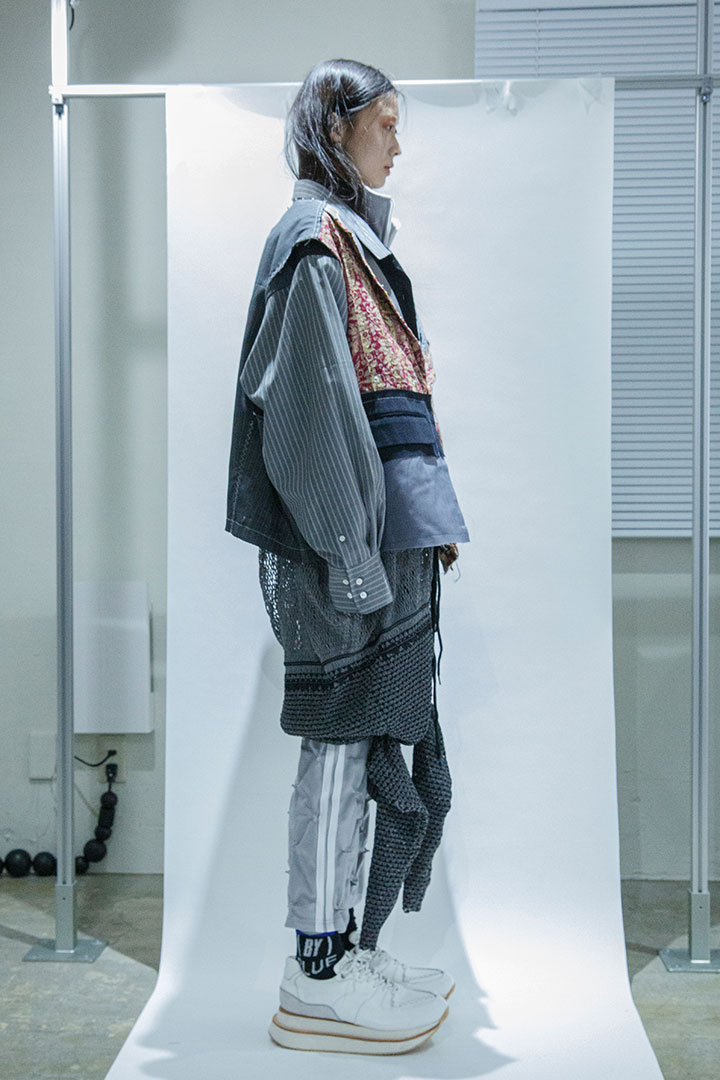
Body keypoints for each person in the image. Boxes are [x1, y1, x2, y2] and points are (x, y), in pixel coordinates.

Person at [225, 58, 470, 1054]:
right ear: (335, 128)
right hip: (346, 559)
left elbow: (381, 408)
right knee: (336, 752)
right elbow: (311, 420)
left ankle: (349, 953)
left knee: (366, 743)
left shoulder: (349, 241)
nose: (398, 144)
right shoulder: (312, 245)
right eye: (386, 124)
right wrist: (354, 558)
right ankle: (316, 973)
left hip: (376, 549)